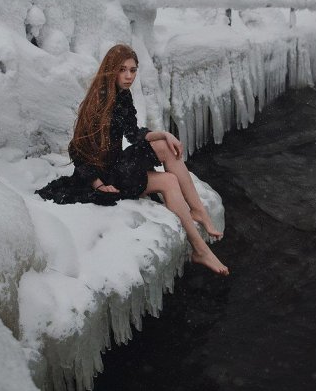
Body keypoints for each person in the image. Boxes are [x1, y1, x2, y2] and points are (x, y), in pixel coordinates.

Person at [36, 44, 228, 276]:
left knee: (167, 157)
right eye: (123, 70)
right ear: (111, 70)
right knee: (168, 181)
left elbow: (133, 134)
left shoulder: (123, 96)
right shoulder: (97, 103)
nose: (129, 76)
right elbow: (77, 151)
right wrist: (98, 184)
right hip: (103, 175)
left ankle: (199, 214)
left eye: (133, 70)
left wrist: (163, 134)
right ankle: (200, 248)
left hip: (117, 165)